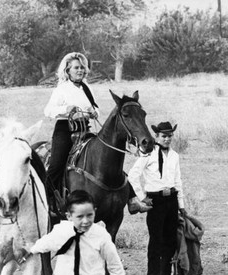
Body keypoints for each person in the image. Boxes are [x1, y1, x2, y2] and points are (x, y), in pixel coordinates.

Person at [44, 52, 150, 216]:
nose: (80, 70)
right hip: (65, 131)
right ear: (68, 70)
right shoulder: (62, 89)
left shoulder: (87, 88)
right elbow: (48, 111)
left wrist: (93, 112)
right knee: (56, 165)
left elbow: (96, 108)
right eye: (76, 68)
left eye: (82, 67)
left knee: (107, 159)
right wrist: (66, 109)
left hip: (84, 130)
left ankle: (132, 199)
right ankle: (49, 202)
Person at [128, 121, 187, 275]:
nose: (167, 139)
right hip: (156, 200)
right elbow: (133, 176)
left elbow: (178, 181)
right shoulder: (148, 154)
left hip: (172, 199)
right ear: (156, 136)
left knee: (170, 239)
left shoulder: (175, 156)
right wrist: (142, 197)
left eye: (170, 136)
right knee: (155, 240)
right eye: (164, 136)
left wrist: (181, 206)